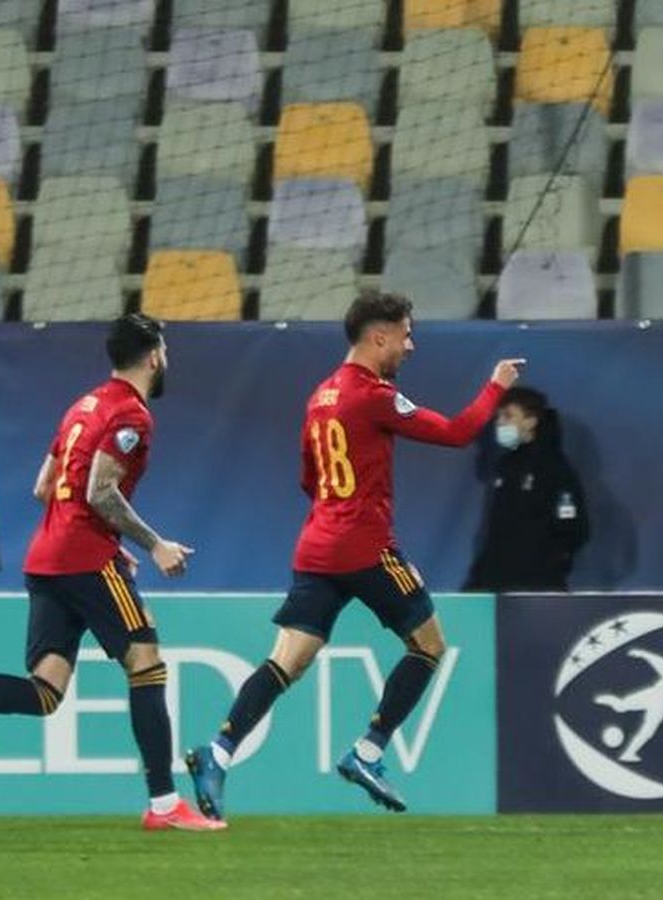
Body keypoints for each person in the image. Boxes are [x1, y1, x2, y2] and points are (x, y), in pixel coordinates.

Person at [185, 292, 524, 819]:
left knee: (287, 660)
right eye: (406, 335)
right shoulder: (374, 395)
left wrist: (337, 510)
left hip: (317, 546)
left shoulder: (320, 396)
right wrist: (496, 385)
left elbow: (308, 478)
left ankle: (219, 751)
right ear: (378, 336)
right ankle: (367, 752)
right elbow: (457, 433)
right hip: (365, 546)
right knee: (429, 645)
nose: (410, 346)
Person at [0, 314, 223, 832]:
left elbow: (45, 486)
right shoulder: (132, 415)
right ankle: (164, 805)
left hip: (47, 559)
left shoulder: (82, 407)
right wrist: (153, 544)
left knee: (45, 691)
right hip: (84, 558)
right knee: (146, 663)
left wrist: (101, 536)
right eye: (165, 351)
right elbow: (100, 492)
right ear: (155, 355)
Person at [463, 386, 589, 592]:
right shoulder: (505, 466)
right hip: (495, 584)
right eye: (498, 416)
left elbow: (574, 531)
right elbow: (498, 531)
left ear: (531, 421)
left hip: (538, 588)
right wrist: (479, 579)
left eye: (508, 416)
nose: (500, 423)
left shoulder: (555, 469)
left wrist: (548, 565)